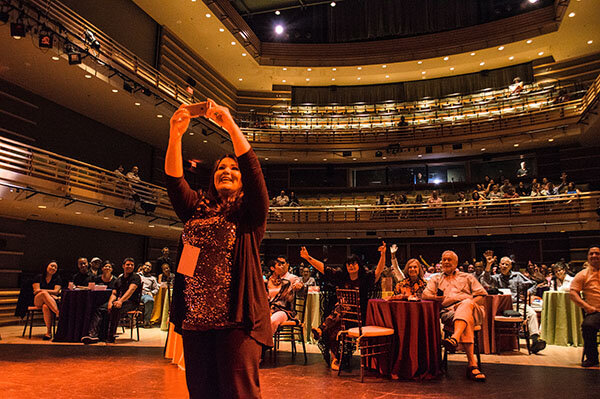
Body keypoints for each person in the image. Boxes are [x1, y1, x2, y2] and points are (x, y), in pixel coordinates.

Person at [165, 99, 271, 398]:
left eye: (233, 168)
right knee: (201, 392)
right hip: (195, 320)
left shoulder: (250, 212)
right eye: (220, 167)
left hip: (237, 321)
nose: (227, 170)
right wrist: (175, 135)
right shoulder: (196, 208)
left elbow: (253, 171)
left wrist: (230, 125)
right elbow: (174, 182)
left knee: (239, 393)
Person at [300, 243, 386, 370]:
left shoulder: (365, 278)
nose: (351, 266)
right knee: (334, 330)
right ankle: (335, 359)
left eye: (354, 263)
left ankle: (320, 328)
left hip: (359, 315)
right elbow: (324, 268)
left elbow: (378, 271)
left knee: (340, 308)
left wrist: (383, 255)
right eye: (348, 264)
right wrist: (308, 258)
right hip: (341, 316)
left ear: (358, 265)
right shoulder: (341, 277)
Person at [422, 251, 487, 381]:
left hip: (474, 310)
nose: (446, 262)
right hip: (449, 312)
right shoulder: (435, 279)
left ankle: (455, 338)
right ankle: (472, 365)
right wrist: (438, 298)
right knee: (465, 318)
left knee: (466, 304)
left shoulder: (467, 277)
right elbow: (425, 295)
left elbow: (482, 296)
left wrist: (468, 304)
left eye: (449, 260)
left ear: (456, 263)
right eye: (444, 260)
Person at [482, 256, 546, 353]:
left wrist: (528, 292)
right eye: (502, 264)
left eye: (507, 264)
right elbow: (486, 279)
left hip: (516, 304)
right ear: (499, 265)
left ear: (511, 266)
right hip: (502, 307)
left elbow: (533, 284)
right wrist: (488, 265)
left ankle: (535, 340)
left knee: (532, 313)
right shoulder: (497, 278)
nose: (504, 266)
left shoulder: (518, 276)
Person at [82, 258, 142, 344]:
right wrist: (110, 303)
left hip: (132, 302)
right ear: (123, 266)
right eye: (128, 264)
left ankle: (110, 336)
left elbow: (131, 290)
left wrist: (120, 301)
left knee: (115, 308)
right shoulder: (120, 279)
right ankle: (93, 335)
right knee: (101, 309)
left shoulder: (135, 277)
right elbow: (114, 293)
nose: (130, 266)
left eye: (132, 265)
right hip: (119, 301)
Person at [570, 247, 600, 367]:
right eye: (591, 254)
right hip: (595, 311)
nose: (594, 256)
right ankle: (592, 358)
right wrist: (586, 306)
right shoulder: (582, 275)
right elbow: (573, 293)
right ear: (588, 257)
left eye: (597, 253)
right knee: (588, 326)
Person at [267, 256, 303, 333]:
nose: (281, 266)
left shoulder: (292, 278)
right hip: (269, 309)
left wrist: (299, 286)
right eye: (278, 264)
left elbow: (299, 284)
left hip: (284, 311)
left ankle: (266, 343)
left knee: (272, 321)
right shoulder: (270, 279)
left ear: (288, 265)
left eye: (283, 263)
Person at [32, 261, 62, 340]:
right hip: (38, 300)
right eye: (52, 266)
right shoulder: (38, 277)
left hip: (49, 302)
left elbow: (56, 292)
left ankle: (48, 332)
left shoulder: (57, 279)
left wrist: (42, 290)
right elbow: (36, 291)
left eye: (55, 267)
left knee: (45, 306)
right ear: (46, 266)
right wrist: (47, 293)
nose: (53, 268)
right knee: (44, 294)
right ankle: (58, 313)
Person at [139, 263, 159, 328]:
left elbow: (156, 289)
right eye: (146, 265)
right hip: (135, 294)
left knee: (149, 300)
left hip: (145, 294)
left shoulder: (152, 278)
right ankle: (132, 320)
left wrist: (151, 292)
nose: (147, 267)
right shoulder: (137, 275)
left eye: (150, 267)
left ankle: (146, 321)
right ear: (143, 266)